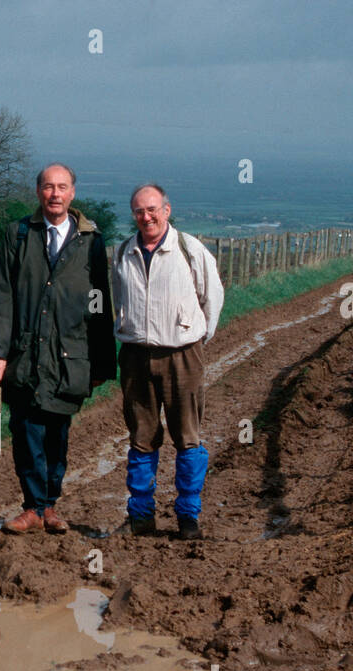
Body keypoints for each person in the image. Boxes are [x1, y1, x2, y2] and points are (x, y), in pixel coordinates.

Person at [0, 163, 115, 534]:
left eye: (61, 187)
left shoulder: (91, 240)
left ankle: (50, 505)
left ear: (73, 193)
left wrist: (102, 360)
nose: (54, 194)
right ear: (38, 191)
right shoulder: (18, 234)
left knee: (58, 434)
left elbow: (99, 301)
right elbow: (3, 294)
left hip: (68, 356)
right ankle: (31, 507)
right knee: (26, 431)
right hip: (25, 353)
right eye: (47, 187)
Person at [111, 183, 224, 540]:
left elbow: (212, 296)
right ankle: (141, 515)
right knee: (141, 436)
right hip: (134, 355)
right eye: (139, 211)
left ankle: (188, 516)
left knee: (188, 436)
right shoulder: (122, 253)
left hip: (182, 354)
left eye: (152, 209)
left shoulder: (190, 250)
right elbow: (116, 298)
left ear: (167, 210)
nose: (146, 217)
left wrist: (196, 336)